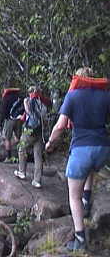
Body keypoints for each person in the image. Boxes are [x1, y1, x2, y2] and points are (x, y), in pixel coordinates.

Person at [45, 67, 110, 251]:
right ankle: (87, 202)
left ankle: (80, 240)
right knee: (89, 168)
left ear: (77, 79)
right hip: (103, 150)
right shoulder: (105, 95)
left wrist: (50, 143)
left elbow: (60, 126)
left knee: (73, 196)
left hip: (82, 149)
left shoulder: (72, 96)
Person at [14, 85, 50, 188]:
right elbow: (44, 116)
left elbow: (28, 112)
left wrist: (28, 102)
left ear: (31, 92)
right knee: (38, 155)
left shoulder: (28, 100)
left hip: (29, 130)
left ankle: (22, 171)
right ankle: (37, 180)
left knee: (21, 147)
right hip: (40, 131)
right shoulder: (44, 102)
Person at [0, 84, 22, 163]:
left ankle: (9, 157)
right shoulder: (19, 97)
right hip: (19, 119)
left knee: (7, 139)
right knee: (18, 138)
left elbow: (3, 110)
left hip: (9, 120)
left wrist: (1, 120)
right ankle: (20, 157)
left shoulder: (6, 97)